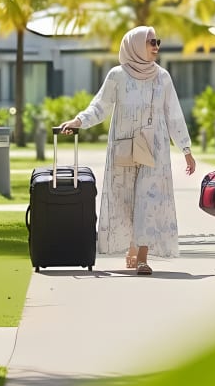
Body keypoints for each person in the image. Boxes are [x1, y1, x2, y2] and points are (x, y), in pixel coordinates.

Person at [60, 26, 196, 276]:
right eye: (150, 42)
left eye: (157, 41)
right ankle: (131, 246)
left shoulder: (163, 77)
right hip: (123, 147)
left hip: (154, 151)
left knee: (148, 201)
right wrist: (78, 121)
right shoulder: (117, 75)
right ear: (134, 45)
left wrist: (185, 148)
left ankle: (142, 256)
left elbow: (173, 114)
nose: (156, 46)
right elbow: (100, 106)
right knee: (124, 201)